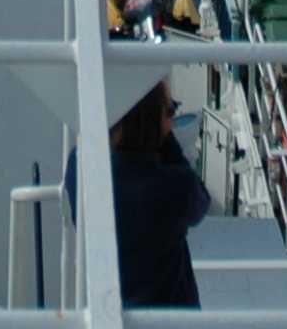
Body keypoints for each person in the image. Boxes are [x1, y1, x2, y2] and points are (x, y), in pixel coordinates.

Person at [64, 81, 212, 306]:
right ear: (156, 121)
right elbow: (201, 202)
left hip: (109, 312)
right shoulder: (173, 186)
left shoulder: (80, 166)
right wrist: (165, 141)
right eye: (171, 110)